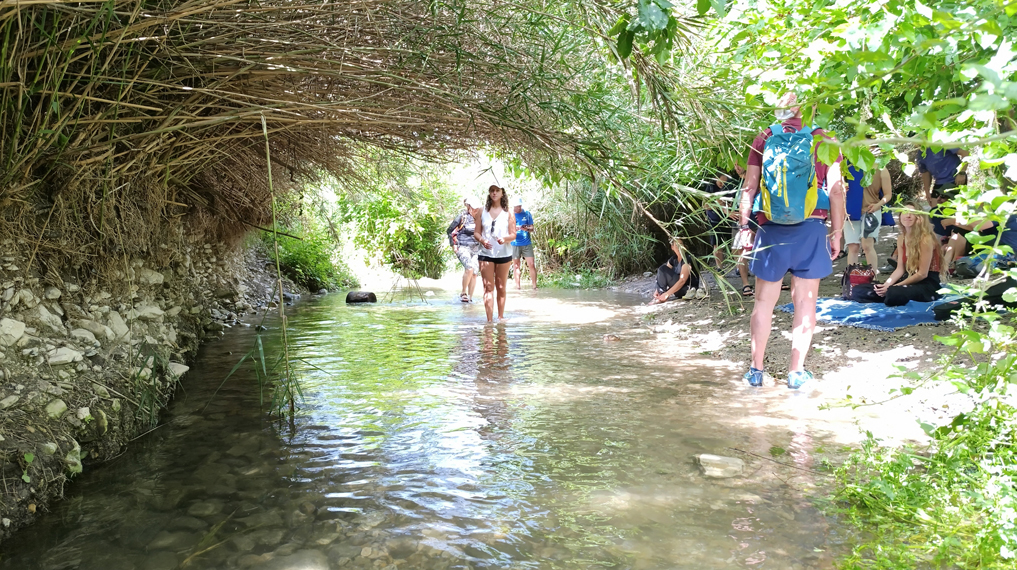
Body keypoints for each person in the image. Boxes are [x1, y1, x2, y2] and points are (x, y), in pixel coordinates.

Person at [733, 92, 845, 390]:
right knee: (805, 304)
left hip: (771, 229)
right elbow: (836, 190)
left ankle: (756, 372)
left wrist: (745, 226)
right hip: (811, 227)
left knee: (763, 303)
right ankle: (796, 373)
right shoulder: (824, 139)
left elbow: (750, 186)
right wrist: (837, 233)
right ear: (811, 107)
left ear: (780, 105)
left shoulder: (764, 137)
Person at [872, 203, 943, 305]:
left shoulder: (926, 239)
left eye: (912, 213)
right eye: (905, 212)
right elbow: (900, 269)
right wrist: (886, 285)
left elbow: (922, 274)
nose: (908, 215)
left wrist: (894, 287)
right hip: (908, 278)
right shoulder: (902, 238)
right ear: (900, 216)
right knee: (861, 290)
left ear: (919, 217)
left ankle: (888, 295)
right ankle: (884, 294)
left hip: (927, 283)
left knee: (894, 292)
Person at [474, 185, 517, 322]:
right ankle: (489, 321)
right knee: (488, 287)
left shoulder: (509, 213)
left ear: (502, 192)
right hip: (486, 253)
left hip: (504, 254)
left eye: (497, 190)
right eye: (492, 190)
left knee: (501, 287)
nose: (494, 193)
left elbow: (513, 234)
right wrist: (482, 240)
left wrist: (504, 239)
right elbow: (476, 232)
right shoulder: (482, 211)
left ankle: (500, 317)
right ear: (489, 193)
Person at [844, 161, 892, 268]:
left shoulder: (881, 168)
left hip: (871, 210)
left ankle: (872, 277)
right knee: (853, 247)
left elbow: (888, 194)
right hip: (851, 211)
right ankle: (852, 279)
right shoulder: (847, 166)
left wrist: (878, 205)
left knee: (867, 245)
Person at [447, 197, 483, 302]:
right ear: (469, 207)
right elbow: (449, 230)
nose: (476, 210)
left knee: (475, 272)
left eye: (477, 208)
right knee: (469, 267)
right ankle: (463, 293)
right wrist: (453, 245)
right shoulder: (462, 217)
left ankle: (470, 298)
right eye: (474, 208)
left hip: (477, 248)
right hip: (463, 246)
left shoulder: (481, 218)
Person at [649, 237, 700, 304]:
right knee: (662, 269)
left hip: (687, 290)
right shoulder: (673, 259)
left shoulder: (687, 258)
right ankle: (660, 295)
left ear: (684, 246)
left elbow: (683, 280)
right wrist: (657, 289)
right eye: (677, 245)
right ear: (672, 247)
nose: (679, 247)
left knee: (662, 269)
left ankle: (661, 297)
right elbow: (663, 274)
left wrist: (667, 294)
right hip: (678, 290)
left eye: (681, 244)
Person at [510, 197, 538, 290]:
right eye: (515, 207)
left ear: (520, 206)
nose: (516, 208)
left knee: (531, 264)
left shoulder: (527, 213)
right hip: (515, 243)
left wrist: (525, 228)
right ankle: (518, 287)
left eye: (518, 206)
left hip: (526, 242)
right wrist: (515, 228)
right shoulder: (510, 215)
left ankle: (534, 286)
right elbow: (507, 229)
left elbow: (532, 228)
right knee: (516, 265)